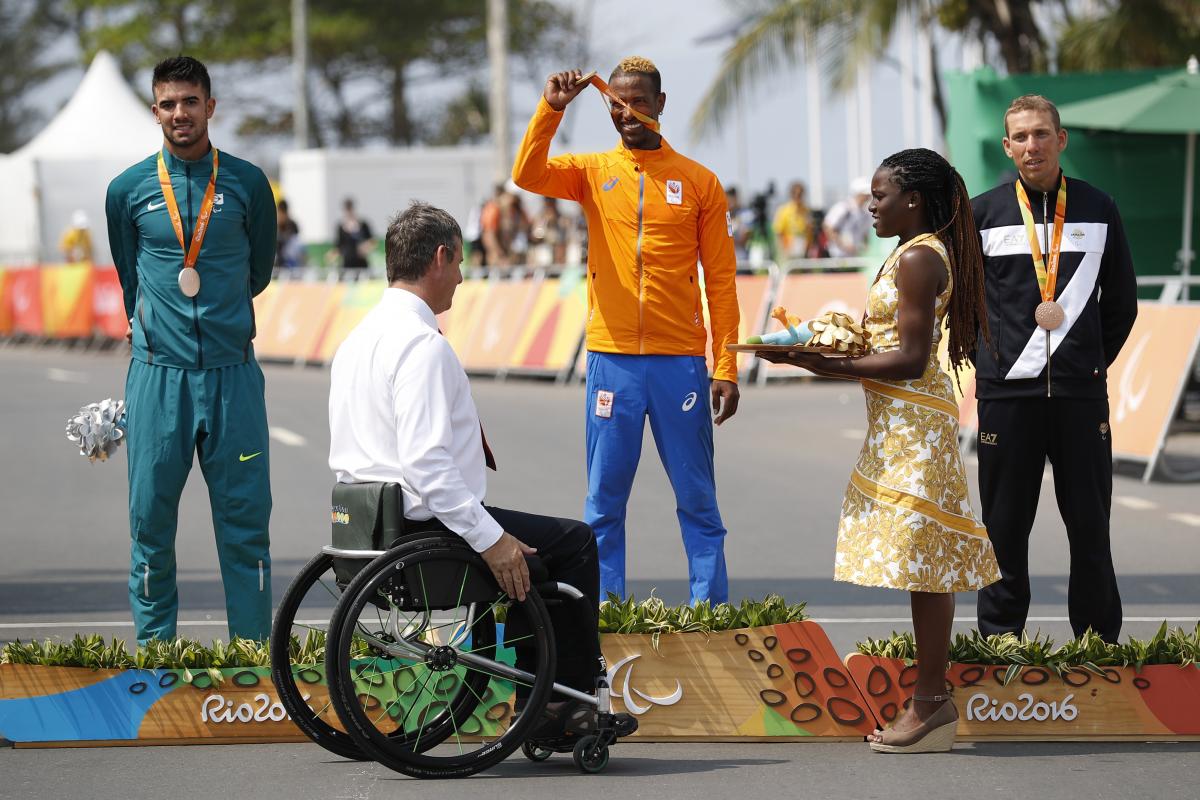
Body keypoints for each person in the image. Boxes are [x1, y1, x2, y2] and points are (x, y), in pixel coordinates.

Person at [328, 201, 633, 738]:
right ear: (441, 257)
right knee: (573, 544)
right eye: (461, 263)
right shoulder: (421, 345)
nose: (464, 278)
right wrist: (492, 540)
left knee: (530, 549)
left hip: (370, 523)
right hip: (425, 528)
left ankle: (540, 701)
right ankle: (563, 705)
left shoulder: (356, 340)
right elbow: (428, 465)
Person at [759, 148, 1001, 753]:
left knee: (926, 564)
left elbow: (912, 357)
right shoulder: (906, 252)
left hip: (917, 425)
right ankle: (931, 701)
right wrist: (809, 349)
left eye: (880, 196)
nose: (869, 206)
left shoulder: (920, 257)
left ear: (913, 200)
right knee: (922, 563)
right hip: (898, 420)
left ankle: (930, 705)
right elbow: (886, 339)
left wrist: (826, 366)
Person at [512, 57, 741, 605]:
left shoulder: (699, 182)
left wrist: (726, 365)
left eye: (640, 102)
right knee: (602, 506)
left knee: (697, 500)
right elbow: (526, 173)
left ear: (661, 104)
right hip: (611, 360)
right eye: (617, 103)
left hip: (680, 364)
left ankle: (710, 614)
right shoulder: (592, 172)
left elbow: (723, 282)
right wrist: (551, 109)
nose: (628, 112)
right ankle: (604, 616)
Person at [105, 55, 275, 644]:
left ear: (210, 106)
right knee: (150, 525)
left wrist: (220, 318)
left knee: (246, 526)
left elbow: (259, 272)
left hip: (233, 376)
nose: (181, 113)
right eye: (169, 103)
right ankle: (156, 660)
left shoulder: (249, 183)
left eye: (191, 101)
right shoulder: (126, 190)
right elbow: (131, 278)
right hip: (159, 379)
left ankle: (253, 661)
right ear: (156, 111)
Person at [972, 95, 1138, 643]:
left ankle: (1098, 648)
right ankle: (999, 642)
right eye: (1020, 137)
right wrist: (990, 364)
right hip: (1007, 399)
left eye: (1041, 134)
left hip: (1079, 397)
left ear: (1061, 140)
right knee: (1002, 530)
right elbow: (963, 305)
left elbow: (1121, 304)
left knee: (1090, 528)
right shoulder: (983, 213)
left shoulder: (1099, 207)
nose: (1031, 146)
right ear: (1006, 146)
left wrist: (1085, 363)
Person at [824, 177, 873, 257]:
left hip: (854, 257)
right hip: (837, 257)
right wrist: (843, 245)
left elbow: (865, 234)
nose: (869, 196)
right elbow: (828, 227)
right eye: (866, 194)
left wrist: (865, 248)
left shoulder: (865, 213)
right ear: (859, 193)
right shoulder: (843, 207)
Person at [772, 181, 812, 263]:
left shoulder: (807, 211)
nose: (798, 197)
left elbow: (809, 231)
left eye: (800, 194)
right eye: (796, 194)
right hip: (788, 249)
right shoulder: (784, 211)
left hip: (804, 249)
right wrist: (784, 249)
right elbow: (779, 232)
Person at [334, 197, 373, 276]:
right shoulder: (340, 227)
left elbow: (372, 241)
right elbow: (338, 246)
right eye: (347, 208)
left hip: (361, 261)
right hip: (347, 262)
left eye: (350, 208)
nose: (349, 211)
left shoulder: (363, 224)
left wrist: (365, 247)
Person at [275, 199, 303, 271]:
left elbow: (295, 246)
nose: (279, 215)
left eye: (280, 213)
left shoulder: (292, 225)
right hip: (279, 260)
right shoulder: (277, 225)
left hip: (291, 260)